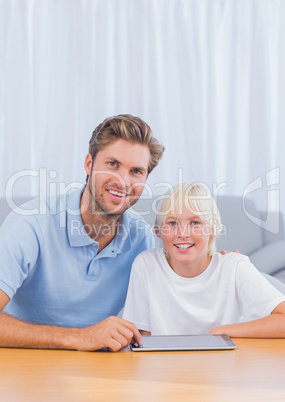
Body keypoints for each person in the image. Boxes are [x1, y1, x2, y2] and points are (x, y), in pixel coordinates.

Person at [0, 114, 164, 351]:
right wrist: (77, 337)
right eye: (113, 164)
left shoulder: (143, 240)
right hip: (22, 373)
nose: (123, 181)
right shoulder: (30, 225)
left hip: (99, 376)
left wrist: (218, 268)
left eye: (136, 171)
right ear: (89, 164)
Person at [123, 182, 285, 337]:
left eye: (195, 223)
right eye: (172, 223)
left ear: (213, 230)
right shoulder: (146, 265)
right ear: (158, 231)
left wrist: (222, 331)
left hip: (222, 365)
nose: (183, 233)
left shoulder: (234, 267)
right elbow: (141, 337)